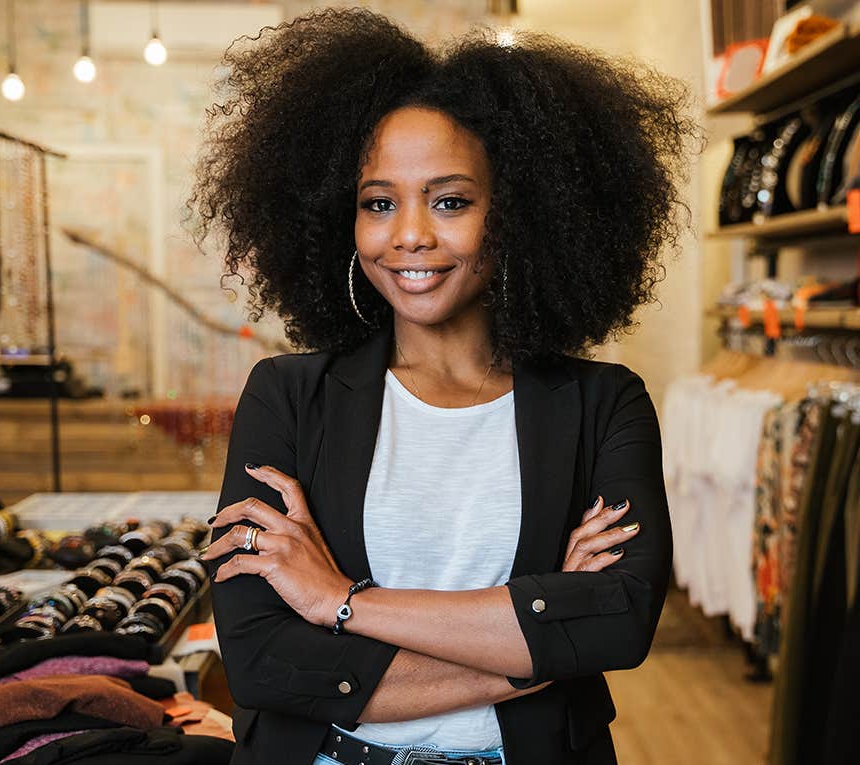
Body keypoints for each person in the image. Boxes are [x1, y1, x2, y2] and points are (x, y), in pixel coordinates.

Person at [189, 8, 699, 764]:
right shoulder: (286, 396)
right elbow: (264, 661)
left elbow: (618, 623)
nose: (410, 235)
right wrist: (534, 641)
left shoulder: (603, 403)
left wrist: (338, 601)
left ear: (518, 214)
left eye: (451, 200)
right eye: (379, 202)